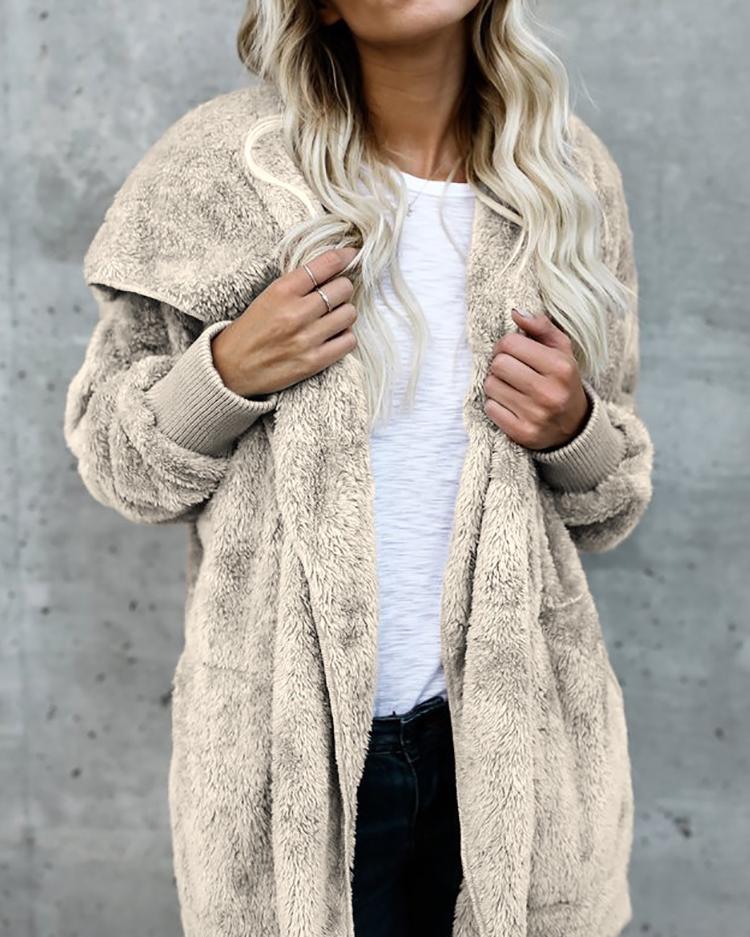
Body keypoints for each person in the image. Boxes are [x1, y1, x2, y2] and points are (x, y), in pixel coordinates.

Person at [63, 1, 654, 936]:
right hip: (288, 754)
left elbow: (611, 501)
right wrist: (225, 373)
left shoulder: (566, 177)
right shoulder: (221, 169)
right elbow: (115, 461)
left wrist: (572, 428)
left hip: (514, 739)